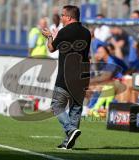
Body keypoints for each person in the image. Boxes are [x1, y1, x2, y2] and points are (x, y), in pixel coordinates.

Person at [42, 5, 91, 149]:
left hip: (65, 76)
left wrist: (50, 36)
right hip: (81, 77)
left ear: (69, 17)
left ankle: (70, 130)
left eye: (63, 15)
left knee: (56, 106)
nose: (61, 18)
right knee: (75, 110)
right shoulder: (87, 33)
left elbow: (51, 49)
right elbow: (86, 56)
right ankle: (67, 143)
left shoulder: (64, 32)